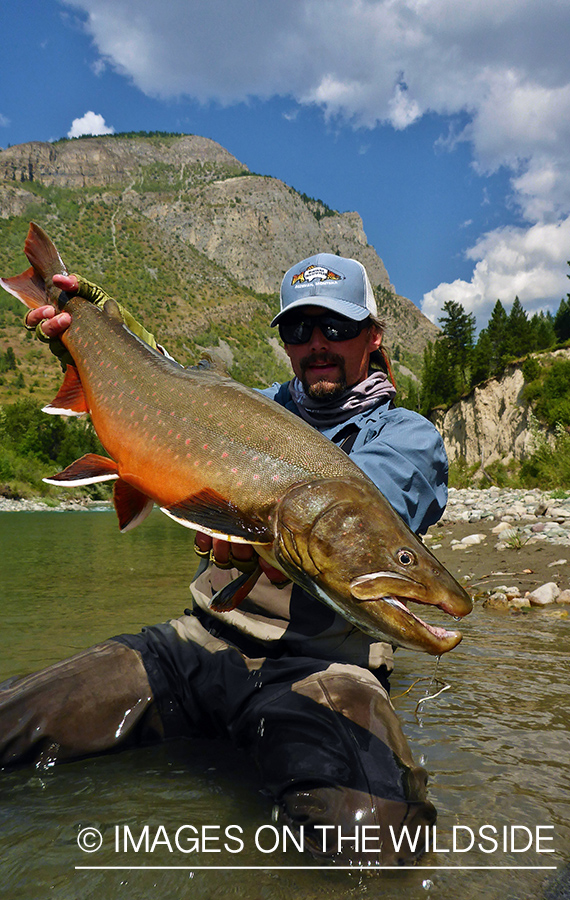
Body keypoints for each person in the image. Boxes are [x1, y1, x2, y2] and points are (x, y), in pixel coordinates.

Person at [1, 252, 448, 865]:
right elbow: (169, 384)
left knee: (375, 842)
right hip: (193, 646)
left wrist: (264, 518)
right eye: (299, 330)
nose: (318, 344)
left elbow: (356, 512)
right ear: (286, 342)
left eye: (337, 328)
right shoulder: (247, 404)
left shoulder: (407, 436)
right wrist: (102, 332)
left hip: (319, 670)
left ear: (373, 337)